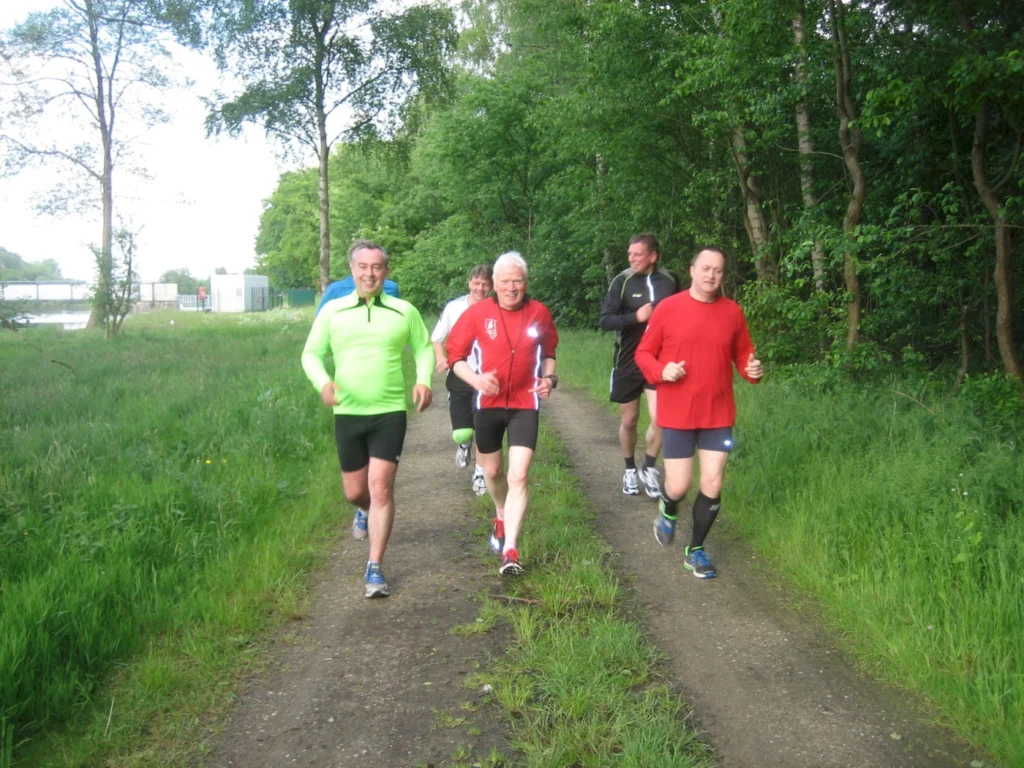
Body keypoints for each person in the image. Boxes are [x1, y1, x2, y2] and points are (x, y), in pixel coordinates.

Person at [301, 240, 433, 597]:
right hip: (348, 413)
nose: (369, 273)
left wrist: (423, 380)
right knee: (355, 492)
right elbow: (311, 354)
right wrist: (323, 383)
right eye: (363, 267)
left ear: (386, 272)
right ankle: (363, 511)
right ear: (352, 270)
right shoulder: (333, 311)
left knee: (380, 488)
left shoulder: (404, 311)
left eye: (376, 267)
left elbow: (423, 347)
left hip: (389, 411)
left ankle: (374, 567)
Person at [635, 247, 763, 579]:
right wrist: (662, 372)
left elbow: (745, 357)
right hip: (678, 412)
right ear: (692, 271)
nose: (711, 275)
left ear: (723, 276)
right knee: (678, 485)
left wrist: (754, 371)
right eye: (705, 268)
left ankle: (695, 550)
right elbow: (644, 354)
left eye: (718, 270)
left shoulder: (733, 312)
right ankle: (668, 507)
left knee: (713, 482)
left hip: (718, 413)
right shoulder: (668, 308)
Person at [445, 252, 558, 576]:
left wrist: (549, 378)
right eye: (505, 281)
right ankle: (499, 511)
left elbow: (549, 353)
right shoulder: (478, 314)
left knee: (518, 475)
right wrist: (477, 379)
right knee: (493, 472)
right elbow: (456, 357)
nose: (511, 287)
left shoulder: (539, 313)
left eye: (518, 281)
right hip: (488, 404)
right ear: (494, 284)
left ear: (526, 283)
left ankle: (510, 549)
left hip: (525, 404)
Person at [599, 233, 678, 498]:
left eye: (637, 254)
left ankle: (649, 467)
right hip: (628, 359)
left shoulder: (669, 280)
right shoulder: (622, 281)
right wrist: (636, 317)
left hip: (659, 361)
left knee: (661, 419)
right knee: (630, 420)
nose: (631, 258)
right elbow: (605, 320)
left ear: (653, 256)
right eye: (630, 254)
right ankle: (630, 469)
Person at [431, 265, 494, 495]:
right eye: (477, 283)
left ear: (492, 286)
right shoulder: (454, 308)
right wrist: (440, 359)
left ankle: (480, 473)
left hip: (488, 378)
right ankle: (464, 444)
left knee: (484, 428)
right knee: (463, 431)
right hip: (459, 375)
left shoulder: (498, 309)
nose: (481, 288)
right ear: (469, 283)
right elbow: (437, 338)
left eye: (485, 284)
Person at [316, 274, 400, 315]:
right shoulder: (335, 289)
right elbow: (319, 322)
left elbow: (399, 317)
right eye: (363, 265)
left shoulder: (391, 287)